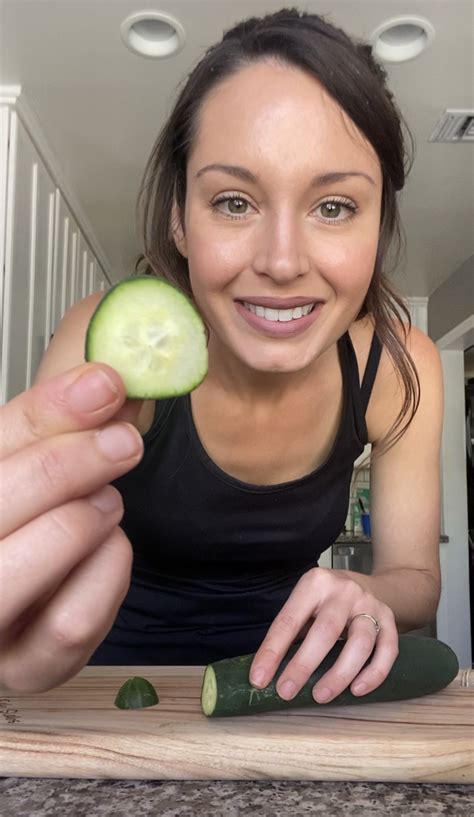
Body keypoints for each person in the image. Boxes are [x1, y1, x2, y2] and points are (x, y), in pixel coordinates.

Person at [0, 8, 443, 703]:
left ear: (380, 221)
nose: (282, 262)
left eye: (334, 207)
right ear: (179, 214)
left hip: (283, 688)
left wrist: (362, 589)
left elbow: (415, 581)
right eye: (234, 201)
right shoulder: (117, 344)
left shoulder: (397, 365)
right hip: (100, 686)